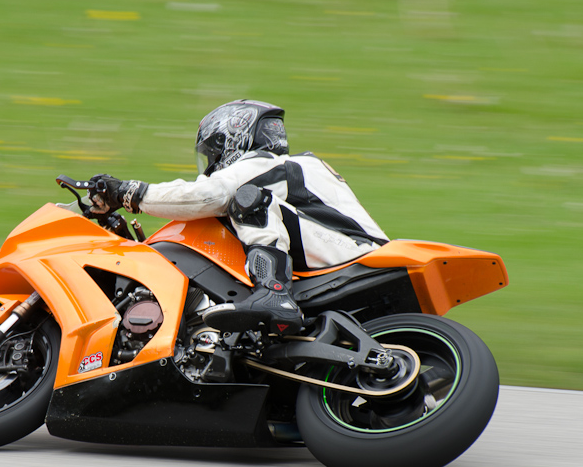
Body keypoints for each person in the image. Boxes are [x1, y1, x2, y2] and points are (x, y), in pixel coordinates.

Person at [88, 99, 389, 335]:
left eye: (212, 155)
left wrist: (129, 192)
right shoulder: (301, 170)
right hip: (345, 254)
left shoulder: (268, 164)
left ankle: (274, 293)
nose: (210, 165)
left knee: (246, 199)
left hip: (350, 257)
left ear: (232, 139)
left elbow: (209, 195)